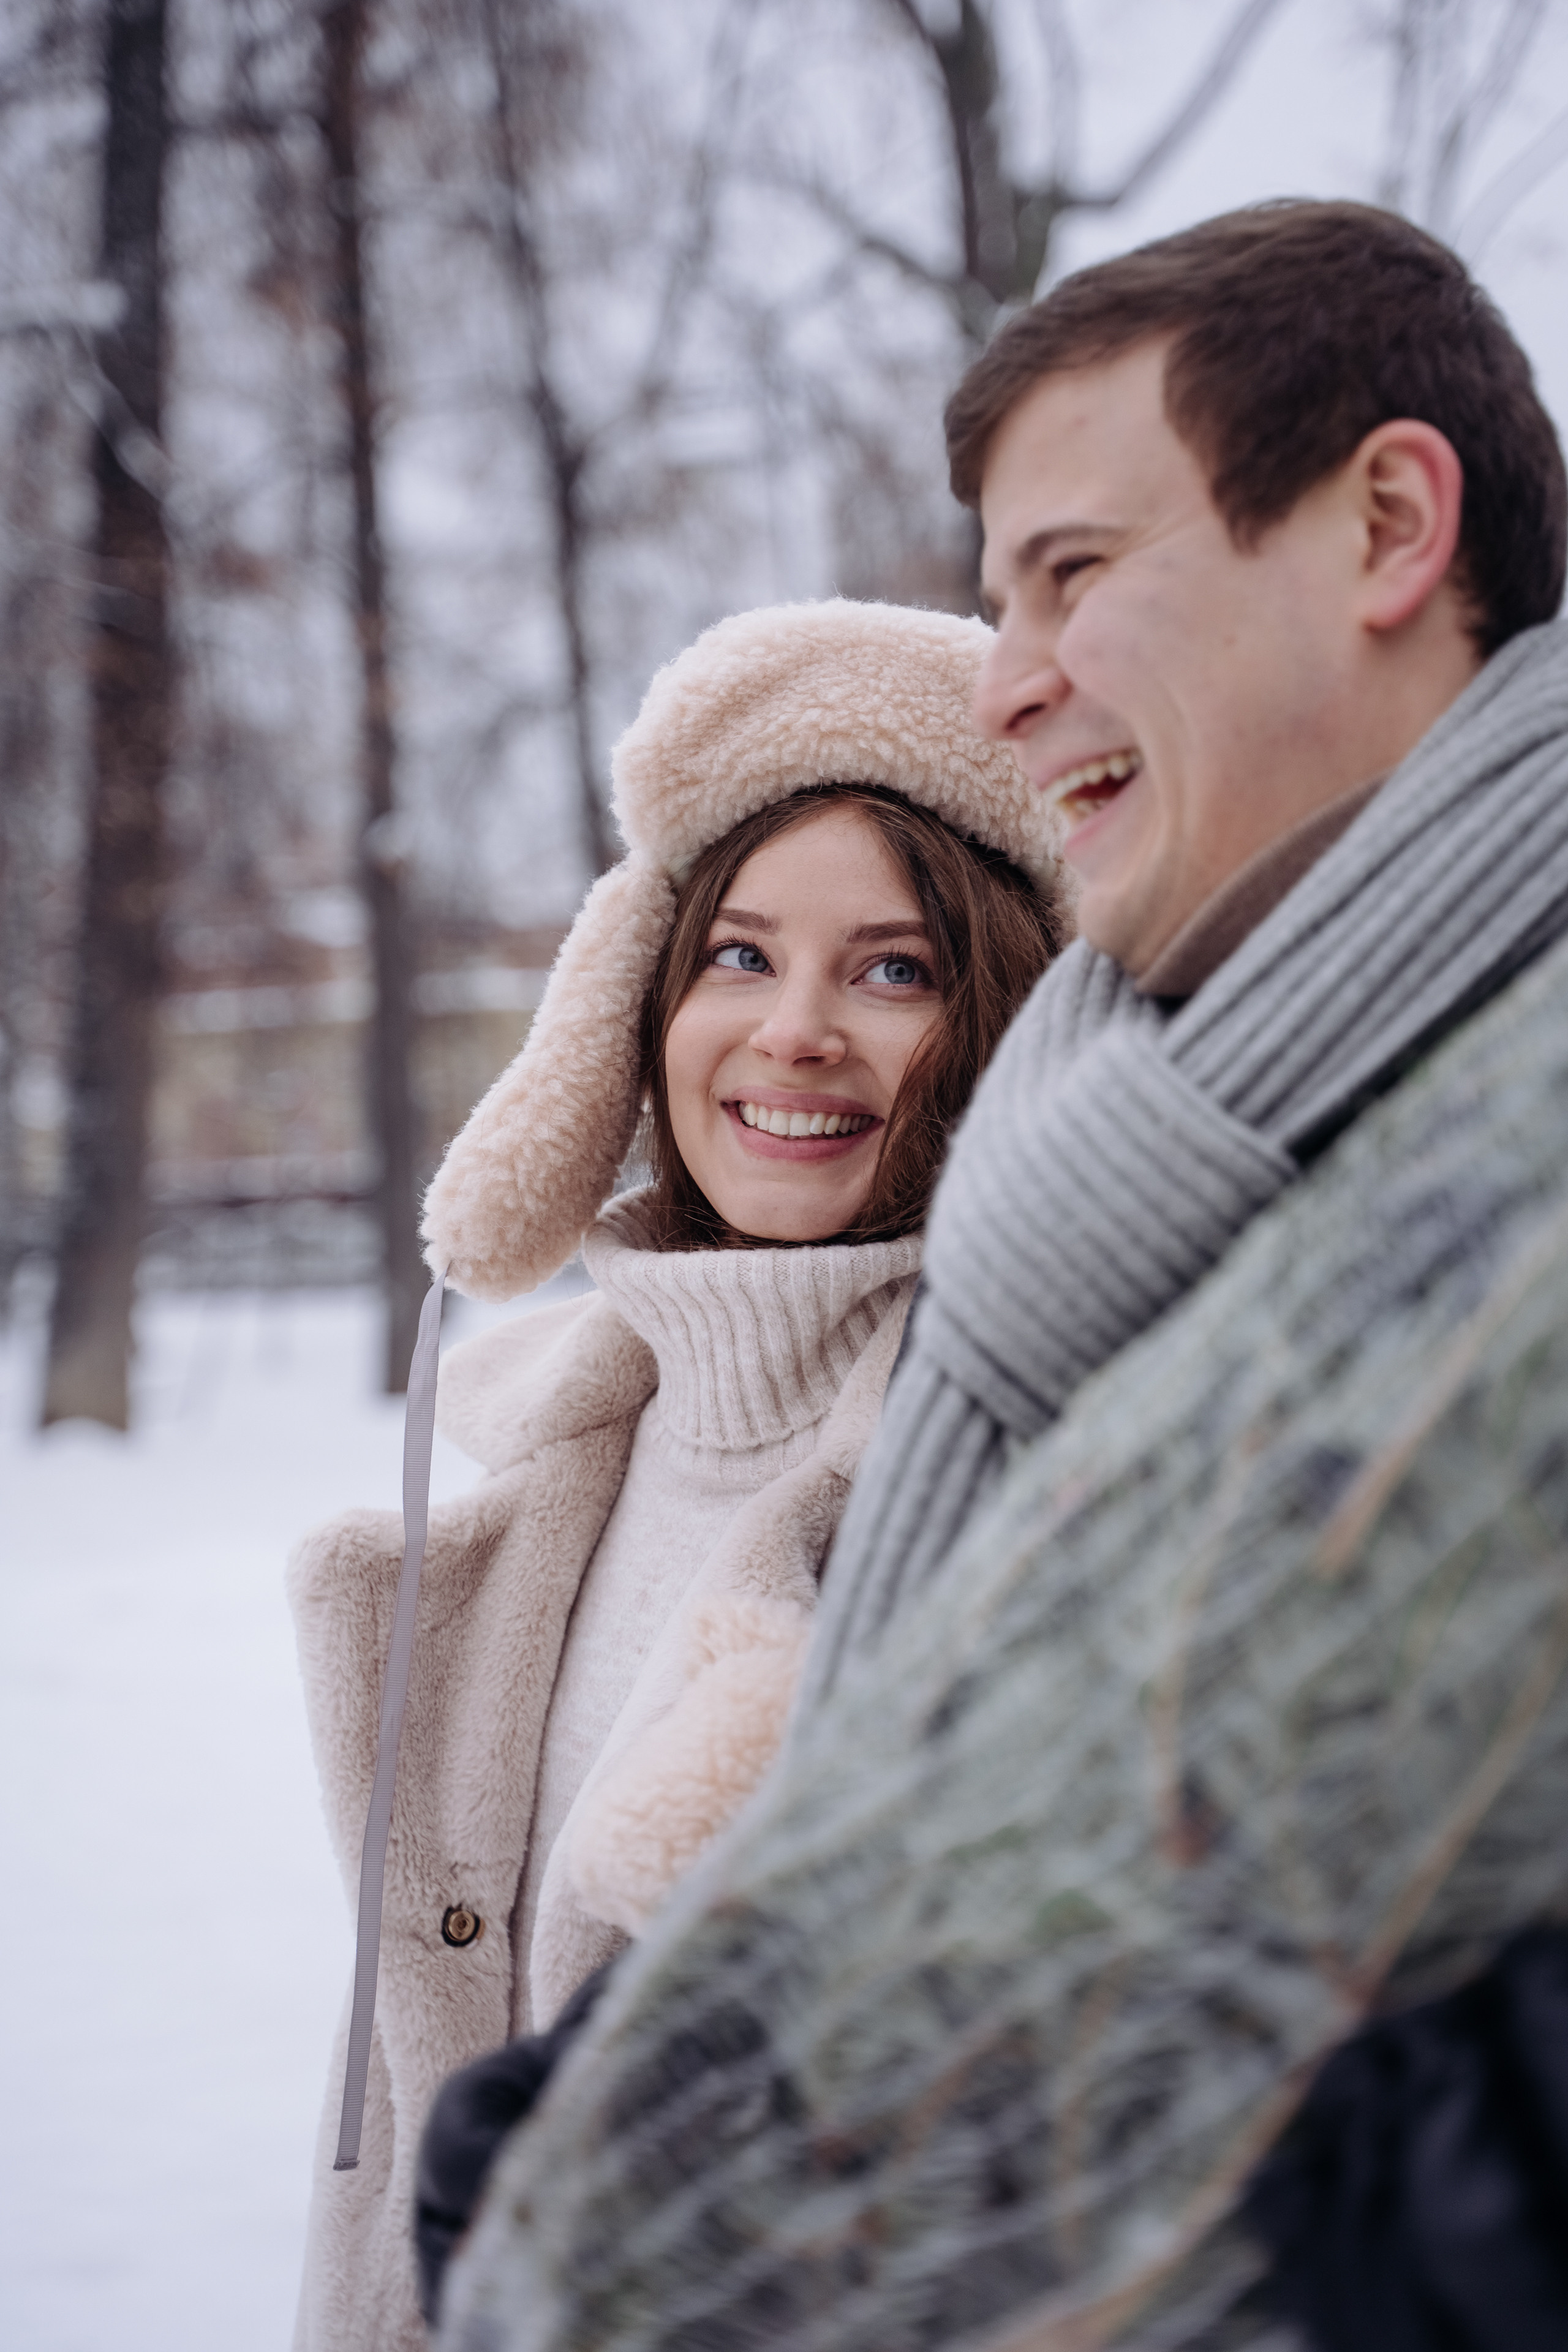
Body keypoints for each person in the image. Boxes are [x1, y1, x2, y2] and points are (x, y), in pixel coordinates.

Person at [429, 203, 1568, 2352]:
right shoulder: (1156, 1113)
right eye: (995, 596)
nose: (1010, 673)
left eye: (1075, 574)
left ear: (1389, 525)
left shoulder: (1484, 1127)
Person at [287, 597, 1063, 2351]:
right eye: (738, 956)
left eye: (894, 967)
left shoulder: (1036, 1495)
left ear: (1010, 1021)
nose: (793, 1031)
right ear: (628, 1010)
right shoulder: (526, 1488)